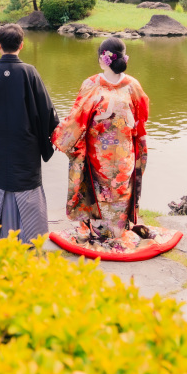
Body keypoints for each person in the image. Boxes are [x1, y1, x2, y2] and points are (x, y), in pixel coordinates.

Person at [51, 37, 149, 242]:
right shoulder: (133, 85)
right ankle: (118, 232)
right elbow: (142, 117)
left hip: (99, 151)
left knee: (101, 189)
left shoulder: (91, 84)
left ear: (102, 60)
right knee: (120, 187)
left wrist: (58, 134)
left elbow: (76, 118)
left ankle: (100, 232)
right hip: (124, 151)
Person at [0, 24, 59, 244]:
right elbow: (46, 111)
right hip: (26, 143)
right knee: (26, 182)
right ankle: (31, 236)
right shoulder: (30, 72)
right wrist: (50, 135)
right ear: (22, 45)